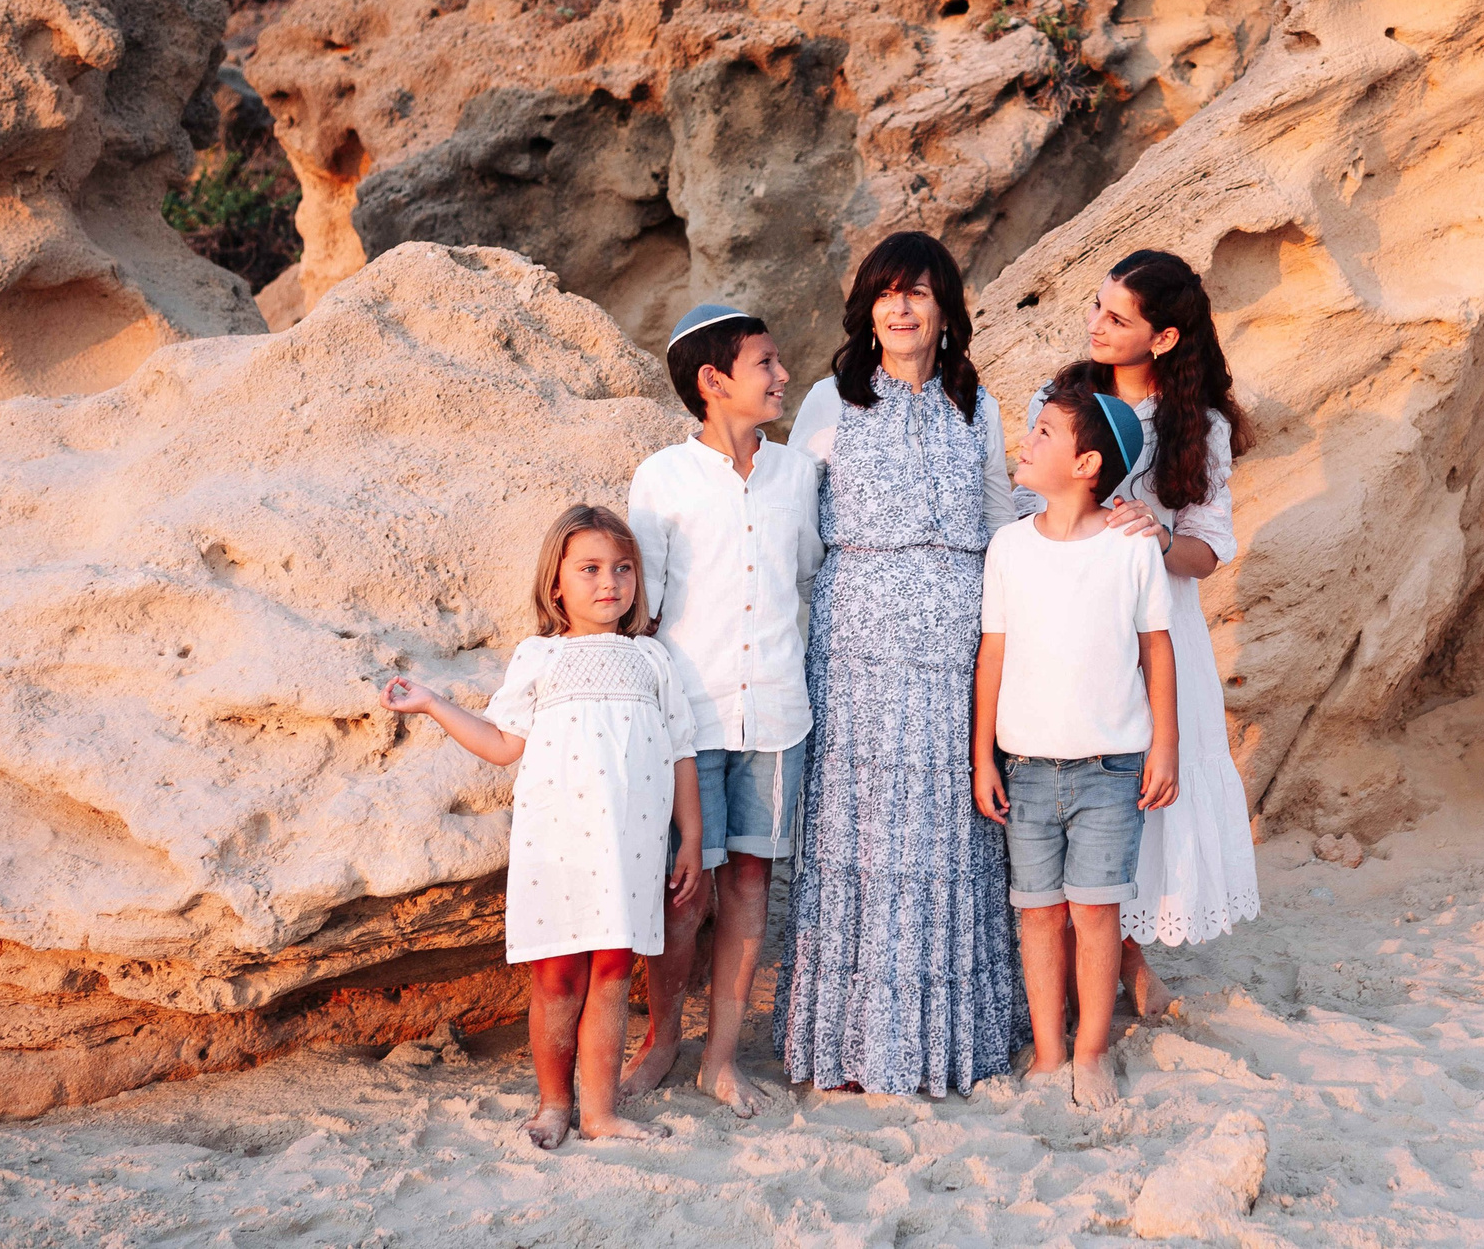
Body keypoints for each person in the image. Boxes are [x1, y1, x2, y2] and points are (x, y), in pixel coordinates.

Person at [774, 231, 1026, 1098]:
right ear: (867, 307)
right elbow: (796, 523)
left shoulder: (978, 405)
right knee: (865, 833)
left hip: (954, 645)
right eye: (886, 292)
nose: (901, 306)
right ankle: (852, 1047)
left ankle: (943, 1043)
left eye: (918, 291)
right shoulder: (830, 401)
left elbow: (1003, 521)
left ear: (947, 308)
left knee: (948, 833)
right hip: (857, 650)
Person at [378, 504, 700, 1149]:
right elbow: (502, 744)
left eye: (623, 568)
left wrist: (689, 836)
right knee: (557, 972)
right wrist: (433, 702)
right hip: (556, 842)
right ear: (556, 583)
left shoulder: (653, 660)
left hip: (630, 845)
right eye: (589, 569)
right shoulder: (539, 657)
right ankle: (554, 1104)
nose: (609, 582)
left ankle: (601, 1112)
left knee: (612, 970)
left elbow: (680, 750)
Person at [1016, 249, 1259, 1016]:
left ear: (1163, 339)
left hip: (1158, 627)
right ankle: (1097, 959)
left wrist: (1156, 534)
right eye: (1095, 306)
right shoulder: (1054, 402)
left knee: (1143, 792)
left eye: (1117, 317)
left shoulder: (1200, 425)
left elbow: (1208, 549)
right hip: (1065, 626)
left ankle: (1130, 952)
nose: (1095, 324)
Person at [625, 303, 822, 1117]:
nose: (782, 377)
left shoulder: (798, 474)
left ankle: (720, 1055)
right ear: (714, 382)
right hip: (689, 720)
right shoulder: (661, 478)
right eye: (766, 364)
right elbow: (643, 610)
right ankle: (662, 1035)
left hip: (777, 711)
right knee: (683, 891)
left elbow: (806, 579)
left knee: (749, 882)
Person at [974, 369, 1178, 1109]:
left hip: (1109, 768)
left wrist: (1166, 747)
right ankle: (1049, 1048)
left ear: (1088, 465)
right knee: (1038, 913)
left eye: (1044, 434)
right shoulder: (1008, 547)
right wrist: (981, 757)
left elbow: (1158, 649)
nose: (1025, 444)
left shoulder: (1130, 548)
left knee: (1095, 913)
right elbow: (991, 654)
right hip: (1025, 767)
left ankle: (1090, 1052)